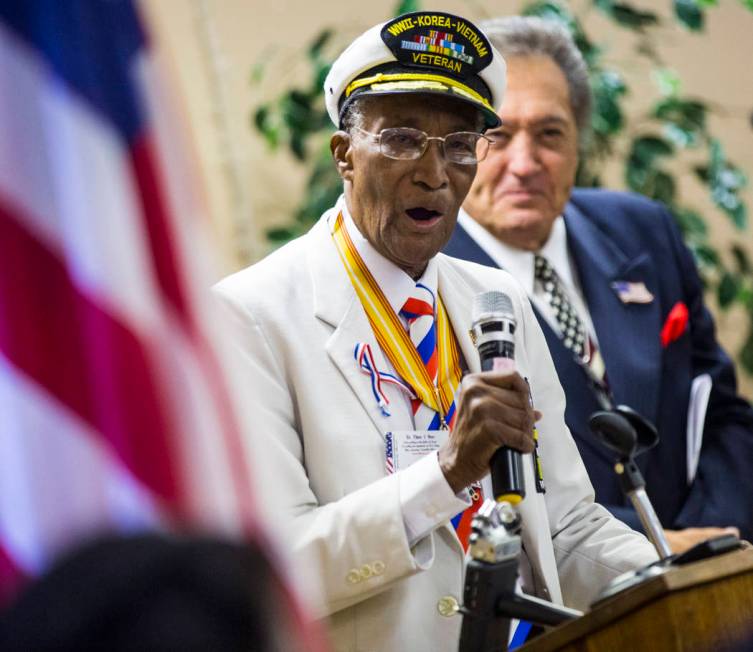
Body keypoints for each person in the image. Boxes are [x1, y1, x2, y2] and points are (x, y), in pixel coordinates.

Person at [215, 12, 658, 651]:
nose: (433, 172)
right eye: (400, 139)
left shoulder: (495, 299)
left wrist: (670, 578)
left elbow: (564, 528)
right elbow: (275, 570)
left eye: (458, 145)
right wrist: (445, 475)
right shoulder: (250, 316)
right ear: (343, 153)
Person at [445, 16, 753, 554]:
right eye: (497, 134)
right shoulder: (426, 282)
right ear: (461, 146)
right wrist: (658, 546)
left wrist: (710, 541)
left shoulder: (643, 230)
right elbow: (476, 486)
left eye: (549, 134)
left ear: (579, 142)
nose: (525, 163)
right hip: (565, 604)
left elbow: (724, 413)